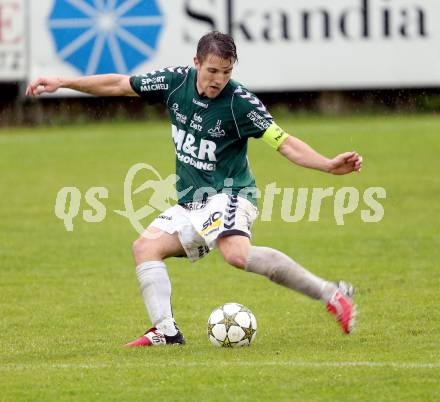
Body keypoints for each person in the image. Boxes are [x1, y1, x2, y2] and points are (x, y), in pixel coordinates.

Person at [27, 31, 362, 347]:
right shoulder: (174, 83)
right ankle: (166, 331)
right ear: (197, 62)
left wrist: (328, 164)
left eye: (226, 72)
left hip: (231, 194)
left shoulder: (240, 103)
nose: (218, 79)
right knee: (145, 248)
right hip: (193, 203)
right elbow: (119, 84)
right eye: (213, 70)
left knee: (236, 254)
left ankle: (331, 294)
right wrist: (64, 82)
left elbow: (284, 143)